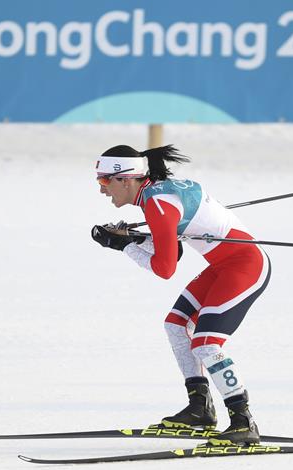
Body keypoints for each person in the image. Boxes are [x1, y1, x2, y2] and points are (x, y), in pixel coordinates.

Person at [90, 144, 271, 446]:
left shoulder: (158, 205)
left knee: (205, 342)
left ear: (125, 178)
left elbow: (165, 267)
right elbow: (174, 248)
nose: (102, 190)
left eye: (104, 181)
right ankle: (200, 408)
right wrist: (132, 238)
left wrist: (123, 246)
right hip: (223, 265)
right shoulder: (155, 196)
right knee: (176, 324)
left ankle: (243, 421)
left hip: (245, 266)